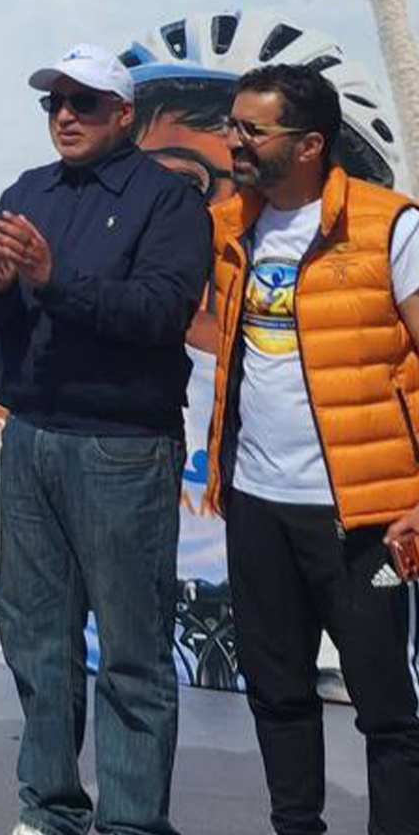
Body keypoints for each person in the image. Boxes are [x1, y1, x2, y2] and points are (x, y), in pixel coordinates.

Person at [0, 44, 209, 835]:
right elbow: (1, 320)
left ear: (124, 114)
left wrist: (52, 277)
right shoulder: (27, 191)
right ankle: (49, 810)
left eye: (84, 103)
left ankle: (132, 823)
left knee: (133, 654)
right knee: (36, 641)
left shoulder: (168, 201)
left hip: (122, 448)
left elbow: (160, 313)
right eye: (55, 103)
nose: (65, 116)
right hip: (32, 436)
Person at [203, 63, 419, 835]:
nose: (233, 140)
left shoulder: (390, 226)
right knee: (277, 694)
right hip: (257, 504)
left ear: (309, 145)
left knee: (386, 708)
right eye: (232, 124)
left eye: (251, 129)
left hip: (360, 516)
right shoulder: (231, 225)